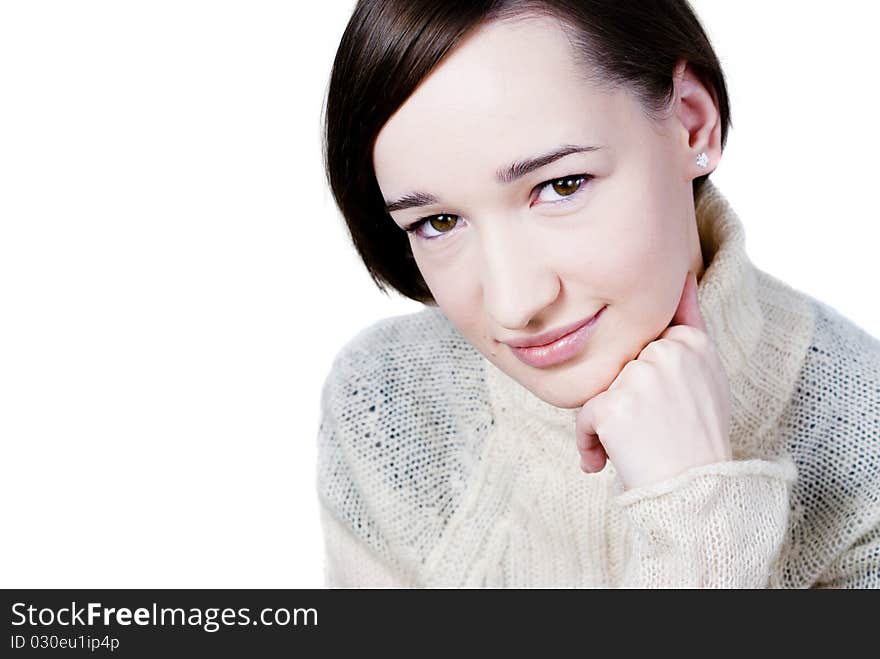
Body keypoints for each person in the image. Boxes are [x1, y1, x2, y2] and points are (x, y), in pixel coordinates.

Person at [317, 0, 880, 587]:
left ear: (691, 122)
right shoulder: (391, 400)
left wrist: (696, 515)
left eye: (561, 185)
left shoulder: (866, 446)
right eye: (437, 222)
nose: (515, 304)